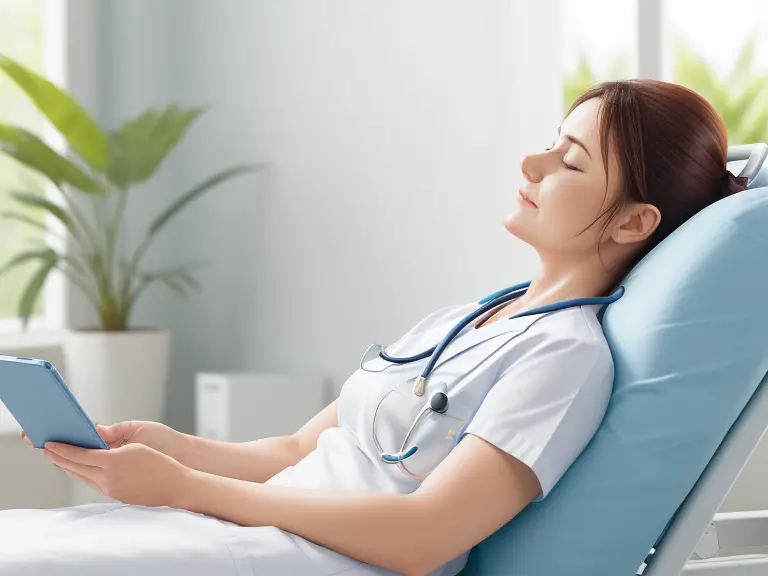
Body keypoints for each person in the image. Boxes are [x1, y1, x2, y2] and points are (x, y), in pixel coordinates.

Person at [9, 80, 748, 576]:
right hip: (252, 535)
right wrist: (173, 449)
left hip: (316, 561)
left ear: (633, 222)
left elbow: (426, 536)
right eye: (552, 141)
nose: (531, 162)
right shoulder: (470, 315)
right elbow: (302, 449)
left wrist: (185, 489)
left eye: (569, 161)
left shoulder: (565, 360)